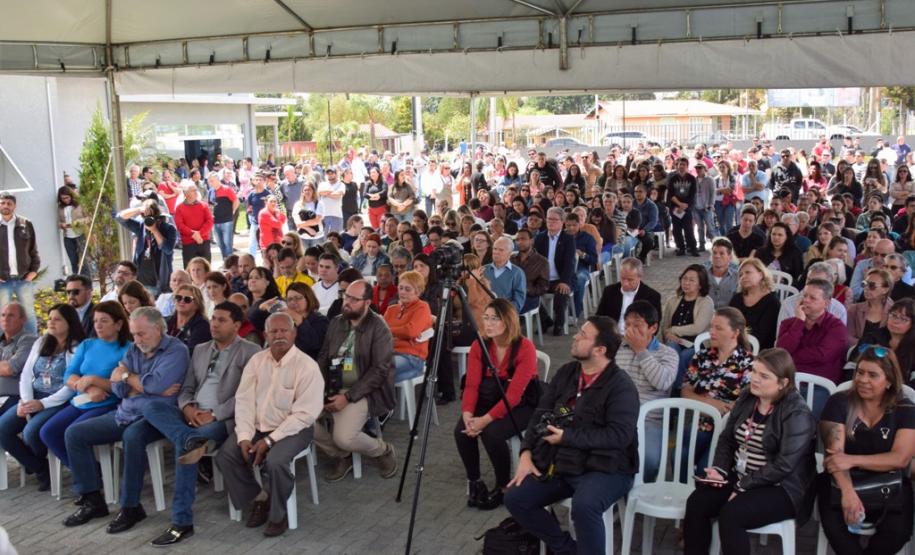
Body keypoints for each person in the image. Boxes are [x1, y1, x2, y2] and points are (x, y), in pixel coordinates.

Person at [504, 316, 638, 554]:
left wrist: (567, 437)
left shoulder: (621, 386)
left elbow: (619, 436)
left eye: (583, 335)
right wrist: (525, 452)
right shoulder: (568, 372)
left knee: (585, 506)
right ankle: (567, 549)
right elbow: (540, 413)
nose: (575, 337)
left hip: (607, 467)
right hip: (564, 461)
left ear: (600, 349)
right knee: (515, 497)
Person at [141, 302, 260, 546]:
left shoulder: (251, 352)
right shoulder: (200, 349)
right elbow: (186, 388)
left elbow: (248, 395)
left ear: (237, 325)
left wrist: (214, 414)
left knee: (185, 448)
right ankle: (188, 438)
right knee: (150, 407)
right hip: (191, 416)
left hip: (224, 419)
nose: (214, 324)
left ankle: (181, 522)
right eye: (213, 318)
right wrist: (186, 407)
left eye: (221, 320)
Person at [62, 307, 189, 531]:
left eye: (141, 334)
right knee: (74, 434)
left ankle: (131, 507)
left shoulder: (176, 350)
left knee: (132, 437)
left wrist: (126, 376)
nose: (136, 340)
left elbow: (153, 386)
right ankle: (92, 500)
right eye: (134, 334)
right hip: (125, 412)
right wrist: (134, 384)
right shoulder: (133, 349)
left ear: (158, 329)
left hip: (158, 417)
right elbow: (118, 389)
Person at [683, 348, 817, 555]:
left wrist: (741, 485)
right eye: (754, 372)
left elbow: (784, 465)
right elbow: (727, 438)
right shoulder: (748, 396)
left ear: (783, 383)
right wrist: (720, 469)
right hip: (743, 476)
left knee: (732, 515)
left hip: (782, 487)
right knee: (697, 503)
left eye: (764, 376)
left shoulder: (796, 412)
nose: (755, 379)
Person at [215, 313, 324, 537]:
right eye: (274, 331)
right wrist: (245, 436)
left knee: (276, 461)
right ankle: (258, 498)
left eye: (284, 330)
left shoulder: (307, 366)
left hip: (294, 429)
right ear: (266, 335)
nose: (279, 335)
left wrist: (269, 440)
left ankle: (278, 515)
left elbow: (304, 415)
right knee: (226, 455)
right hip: (257, 427)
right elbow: (244, 401)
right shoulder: (257, 361)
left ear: (293, 334)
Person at [818, 347, 915, 555]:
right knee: (836, 529)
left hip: (889, 481)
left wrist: (852, 460)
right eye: (860, 372)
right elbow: (835, 458)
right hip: (842, 479)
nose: (863, 380)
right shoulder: (839, 402)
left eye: (872, 375)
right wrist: (848, 492)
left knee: (897, 532)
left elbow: (900, 458)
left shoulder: (905, 409)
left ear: (888, 381)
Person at [457, 299, 539, 510]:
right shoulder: (479, 345)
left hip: (524, 403)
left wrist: (483, 421)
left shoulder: (525, 347)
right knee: (461, 430)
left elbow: (513, 397)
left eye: (495, 319)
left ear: (508, 321)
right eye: (486, 318)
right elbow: (472, 385)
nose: (488, 323)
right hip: (491, 396)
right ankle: (474, 481)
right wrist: (467, 414)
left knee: (491, 433)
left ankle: (503, 486)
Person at [314, 280, 397, 481]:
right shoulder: (336, 322)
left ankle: (382, 450)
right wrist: (318, 388)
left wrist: (348, 397)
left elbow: (379, 370)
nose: (347, 302)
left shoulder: (379, 327)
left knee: (344, 437)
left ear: (367, 302)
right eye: (345, 295)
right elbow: (324, 357)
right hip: (333, 385)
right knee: (301, 420)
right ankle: (342, 455)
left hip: (364, 391)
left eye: (353, 298)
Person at [0, 304, 84, 490]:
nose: (51, 322)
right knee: (3, 429)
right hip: (33, 397)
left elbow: (70, 386)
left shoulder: (76, 347)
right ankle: (40, 468)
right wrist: (26, 401)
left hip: (58, 400)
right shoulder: (42, 342)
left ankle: (77, 468)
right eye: (49, 318)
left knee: (31, 433)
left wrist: (42, 404)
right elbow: (27, 374)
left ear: (69, 323)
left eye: (57, 319)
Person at [39, 302, 132, 467]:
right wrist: (89, 386)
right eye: (95, 321)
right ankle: (90, 471)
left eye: (104, 321)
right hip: (81, 400)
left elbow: (125, 385)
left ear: (118, 324)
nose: (98, 325)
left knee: (72, 432)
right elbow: (69, 375)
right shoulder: (87, 344)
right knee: (48, 432)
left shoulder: (128, 349)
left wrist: (94, 380)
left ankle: (87, 477)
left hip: (107, 403)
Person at [681, 307, 755, 473]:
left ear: (735, 333)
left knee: (703, 468)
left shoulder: (748, 362)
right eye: (711, 327)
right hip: (699, 423)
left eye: (718, 328)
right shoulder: (702, 356)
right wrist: (711, 404)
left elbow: (744, 403)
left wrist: (705, 404)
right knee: (679, 458)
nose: (711, 332)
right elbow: (685, 391)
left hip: (727, 429)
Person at [614, 301, 678, 482]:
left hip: (649, 419)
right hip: (617, 415)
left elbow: (662, 382)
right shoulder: (618, 349)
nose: (630, 330)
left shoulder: (668, 354)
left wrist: (641, 350)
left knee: (649, 460)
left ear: (653, 327)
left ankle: (640, 494)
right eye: (627, 325)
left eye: (637, 325)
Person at [777, 278, 848, 414]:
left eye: (813, 298)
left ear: (826, 303)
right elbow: (782, 351)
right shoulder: (789, 323)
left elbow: (821, 356)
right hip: (788, 381)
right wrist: (798, 322)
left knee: (805, 420)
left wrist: (791, 355)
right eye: (804, 295)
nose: (806, 300)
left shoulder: (836, 327)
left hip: (819, 385)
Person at [660, 264, 715, 391]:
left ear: (700, 284)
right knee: (671, 350)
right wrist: (667, 334)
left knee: (683, 356)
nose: (686, 283)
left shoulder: (706, 302)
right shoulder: (673, 300)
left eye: (691, 280)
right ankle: (673, 389)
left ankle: (674, 392)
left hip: (697, 343)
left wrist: (673, 330)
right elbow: (665, 325)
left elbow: (698, 328)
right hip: (674, 341)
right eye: (684, 279)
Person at [114, 198, 177, 296]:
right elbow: (119, 218)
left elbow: (168, 249)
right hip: (141, 283)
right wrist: (139, 209)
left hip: (160, 283)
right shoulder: (141, 226)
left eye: (152, 217)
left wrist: (155, 230)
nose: (149, 220)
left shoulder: (168, 228)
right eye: (146, 218)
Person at [383, 270, 433, 384]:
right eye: (400, 288)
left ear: (418, 292)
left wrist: (389, 332)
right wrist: (399, 333)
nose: (402, 292)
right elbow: (380, 334)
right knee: (363, 369)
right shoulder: (391, 309)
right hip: (388, 354)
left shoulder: (422, 307)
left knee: (379, 372)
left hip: (411, 358)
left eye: (407, 289)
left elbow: (411, 332)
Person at [0, 192, 40, 331]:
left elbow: (33, 250)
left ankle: (33, 346)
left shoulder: (25, 224)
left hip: (24, 279)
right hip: (2, 281)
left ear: (14, 206)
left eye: (9, 203)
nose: (5, 206)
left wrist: (33, 272)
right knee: (2, 316)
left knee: (29, 314)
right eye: (2, 203)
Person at [535, 207, 577, 336]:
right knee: (528, 292)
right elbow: (535, 261)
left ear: (562, 221)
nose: (551, 222)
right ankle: (545, 319)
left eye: (554, 219)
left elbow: (569, 262)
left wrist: (565, 281)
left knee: (561, 293)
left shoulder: (568, 238)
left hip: (561, 278)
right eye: (549, 219)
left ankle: (559, 323)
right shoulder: (540, 237)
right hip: (543, 278)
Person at [776, 261, 848, 333]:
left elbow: (836, 342)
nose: (811, 285)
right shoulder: (788, 304)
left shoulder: (839, 310)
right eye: (809, 280)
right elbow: (780, 340)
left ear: (830, 285)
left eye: (818, 282)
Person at [595, 257, 662, 333]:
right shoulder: (609, 291)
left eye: (630, 280)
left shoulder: (652, 296)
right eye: (623, 278)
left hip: (637, 339)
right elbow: (599, 317)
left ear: (639, 277)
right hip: (611, 336)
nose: (625, 283)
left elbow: (654, 328)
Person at [728, 257, 781, 350]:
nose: (743, 277)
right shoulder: (737, 298)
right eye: (740, 275)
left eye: (748, 272)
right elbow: (727, 322)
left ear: (761, 274)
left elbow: (761, 336)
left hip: (759, 351)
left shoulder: (772, 302)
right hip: (733, 344)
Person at [0, 302, 38, 415]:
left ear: (23, 319)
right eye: (3, 315)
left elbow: (10, 368)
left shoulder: (29, 340)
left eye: (11, 315)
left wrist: (7, 366)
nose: (6, 319)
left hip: (15, 397)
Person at [846, 268, 893, 346]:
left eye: (872, 285)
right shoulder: (854, 309)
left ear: (885, 290)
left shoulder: (894, 311)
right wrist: (866, 348)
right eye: (864, 284)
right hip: (858, 354)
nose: (866, 288)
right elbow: (848, 337)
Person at [283, 282, 328, 361]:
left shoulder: (321, 320)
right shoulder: (287, 321)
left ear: (308, 298)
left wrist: (300, 321)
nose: (293, 302)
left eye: (298, 298)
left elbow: (314, 345)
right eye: (289, 299)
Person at [482, 236, 527, 314]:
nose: (496, 252)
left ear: (509, 253)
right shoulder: (483, 270)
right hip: (483, 313)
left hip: (505, 314)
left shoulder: (517, 273)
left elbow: (518, 302)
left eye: (501, 250)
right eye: (495, 249)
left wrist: (503, 312)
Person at [173, 181, 213, 265]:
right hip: (188, 243)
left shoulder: (204, 205)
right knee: (190, 270)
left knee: (206, 268)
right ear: (186, 193)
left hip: (203, 241)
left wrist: (199, 234)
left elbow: (210, 221)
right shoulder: (180, 208)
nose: (196, 192)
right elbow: (180, 225)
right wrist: (193, 234)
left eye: (196, 190)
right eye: (193, 190)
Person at [667, 157, 700, 257]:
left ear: (687, 166)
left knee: (688, 229)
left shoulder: (691, 178)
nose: (681, 166)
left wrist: (685, 205)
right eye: (680, 164)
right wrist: (679, 205)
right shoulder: (672, 178)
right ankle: (680, 248)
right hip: (675, 207)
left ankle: (693, 248)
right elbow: (671, 194)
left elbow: (693, 194)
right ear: (677, 166)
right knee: (676, 229)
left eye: (684, 165)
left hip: (687, 207)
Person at [512, 228, 550, 314]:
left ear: (531, 241)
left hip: (530, 297)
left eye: (523, 239)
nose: (520, 242)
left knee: (507, 308)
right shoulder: (511, 259)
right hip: (511, 295)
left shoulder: (542, 261)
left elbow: (544, 287)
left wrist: (528, 290)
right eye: (517, 240)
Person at [166, 284, 212, 354]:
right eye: (178, 297)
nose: (182, 301)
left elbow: (189, 353)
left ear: (197, 304)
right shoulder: (166, 321)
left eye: (187, 299)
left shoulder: (203, 326)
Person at [57, 186, 90, 275]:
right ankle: (77, 282)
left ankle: (87, 283)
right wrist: (61, 225)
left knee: (84, 261)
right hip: (68, 237)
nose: (65, 200)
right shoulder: (60, 208)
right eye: (62, 198)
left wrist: (78, 222)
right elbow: (59, 222)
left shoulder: (79, 205)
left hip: (80, 234)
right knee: (73, 261)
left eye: (67, 197)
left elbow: (88, 218)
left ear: (71, 196)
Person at [705, 238, 739, 309]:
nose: (717, 256)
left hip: (728, 316)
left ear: (730, 257)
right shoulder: (702, 274)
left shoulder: (737, 277)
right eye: (714, 253)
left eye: (721, 253)